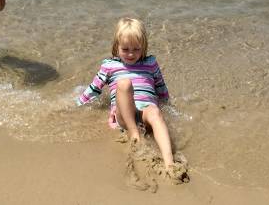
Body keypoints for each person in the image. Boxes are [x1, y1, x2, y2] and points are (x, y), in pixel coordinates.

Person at [77, 18, 187, 182]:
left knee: (155, 111)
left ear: (143, 47)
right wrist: (79, 104)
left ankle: (169, 162)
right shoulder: (110, 65)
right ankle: (134, 133)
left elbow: (161, 88)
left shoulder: (150, 63)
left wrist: (168, 107)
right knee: (124, 83)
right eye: (125, 49)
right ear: (116, 46)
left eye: (136, 49)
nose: (131, 54)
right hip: (124, 114)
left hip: (146, 111)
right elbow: (94, 88)